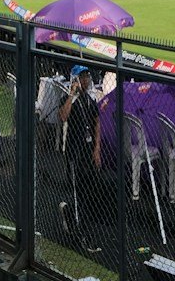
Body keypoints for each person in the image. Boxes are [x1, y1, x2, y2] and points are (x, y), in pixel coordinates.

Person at [57, 65, 102, 245]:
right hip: (74, 151)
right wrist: (71, 94)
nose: (86, 80)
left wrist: (97, 148)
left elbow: (97, 121)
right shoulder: (68, 99)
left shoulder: (89, 100)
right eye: (82, 77)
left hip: (88, 150)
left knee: (88, 188)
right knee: (76, 188)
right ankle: (76, 226)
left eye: (87, 77)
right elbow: (63, 116)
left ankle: (76, 215)